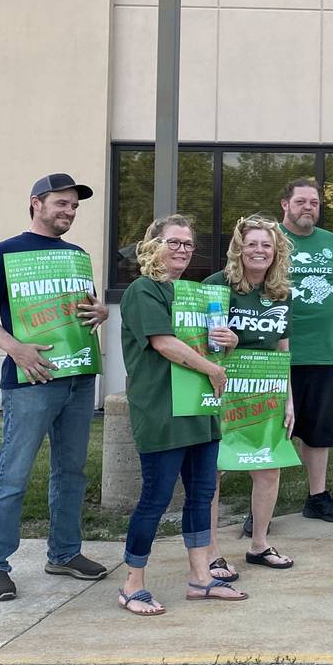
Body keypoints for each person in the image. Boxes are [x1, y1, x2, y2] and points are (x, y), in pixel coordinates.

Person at [0, 173, 110, 602]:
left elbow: (83, 310)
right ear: (37, 203)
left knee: (71, 472)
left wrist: (100, 312)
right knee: (13, 473)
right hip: (31, 380)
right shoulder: (7, 252)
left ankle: (64, 553)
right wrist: (17, 350)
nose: (69, 212)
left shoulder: (76, 255)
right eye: (61, 204)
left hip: (78, 380)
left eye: (74, 206)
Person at [116, 215, 245, 614]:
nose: (183, 251)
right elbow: (163, 342)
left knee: (202, 494)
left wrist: (230, 340)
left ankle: (201, 577)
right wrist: (212, 369)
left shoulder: (190, 292)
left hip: (199, 408)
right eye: (174, 242)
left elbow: (210, 345)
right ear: (152, 244)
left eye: (189, 244)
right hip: (162, 408)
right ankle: (132, 583)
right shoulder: (143, 290)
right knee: (155, 498)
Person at [203, 216, 294, 573]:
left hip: (266, 390)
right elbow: (197, 341)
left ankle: (259, 544)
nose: (259, 250)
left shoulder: (280, 294)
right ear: (239, 248)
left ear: (276, 253)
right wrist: (228, 345)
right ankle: (210, 552)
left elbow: (284, 349)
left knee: (268, 469)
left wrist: (289, 399)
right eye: (252, 243)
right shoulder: (216, 286)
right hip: (221, 389)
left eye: (266, 245)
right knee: (213, 471)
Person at [278, 178, 333, 523]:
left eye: (314, 203)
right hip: (281, 352)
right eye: (301, 202)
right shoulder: (273, 241)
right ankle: (261, 505)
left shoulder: (332, 242)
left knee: (320, 430)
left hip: (324, 353)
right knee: (275, 429)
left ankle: (317, 497)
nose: (308, 208)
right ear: (285, 205)